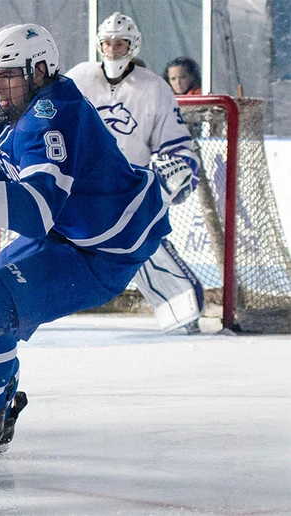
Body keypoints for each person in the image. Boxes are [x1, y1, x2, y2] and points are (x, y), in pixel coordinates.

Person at [0, 24, 171, 468]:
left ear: (40, 70)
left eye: (9, 74)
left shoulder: (55, 112)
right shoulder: (2, 108)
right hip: (68, 234)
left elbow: (39, 210)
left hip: (105, 248)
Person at [66, 13, 205, 333]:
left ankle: (182, 315)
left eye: (120, 43)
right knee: (42, 244)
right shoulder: (77, 78)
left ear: (133, 45)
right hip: (77, 189)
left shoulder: (154, 88)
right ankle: (20, 304)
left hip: (129, 192)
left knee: (145, 247)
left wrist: (180, 169)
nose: (113, 50)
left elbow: (177, 144)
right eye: (107, 43)